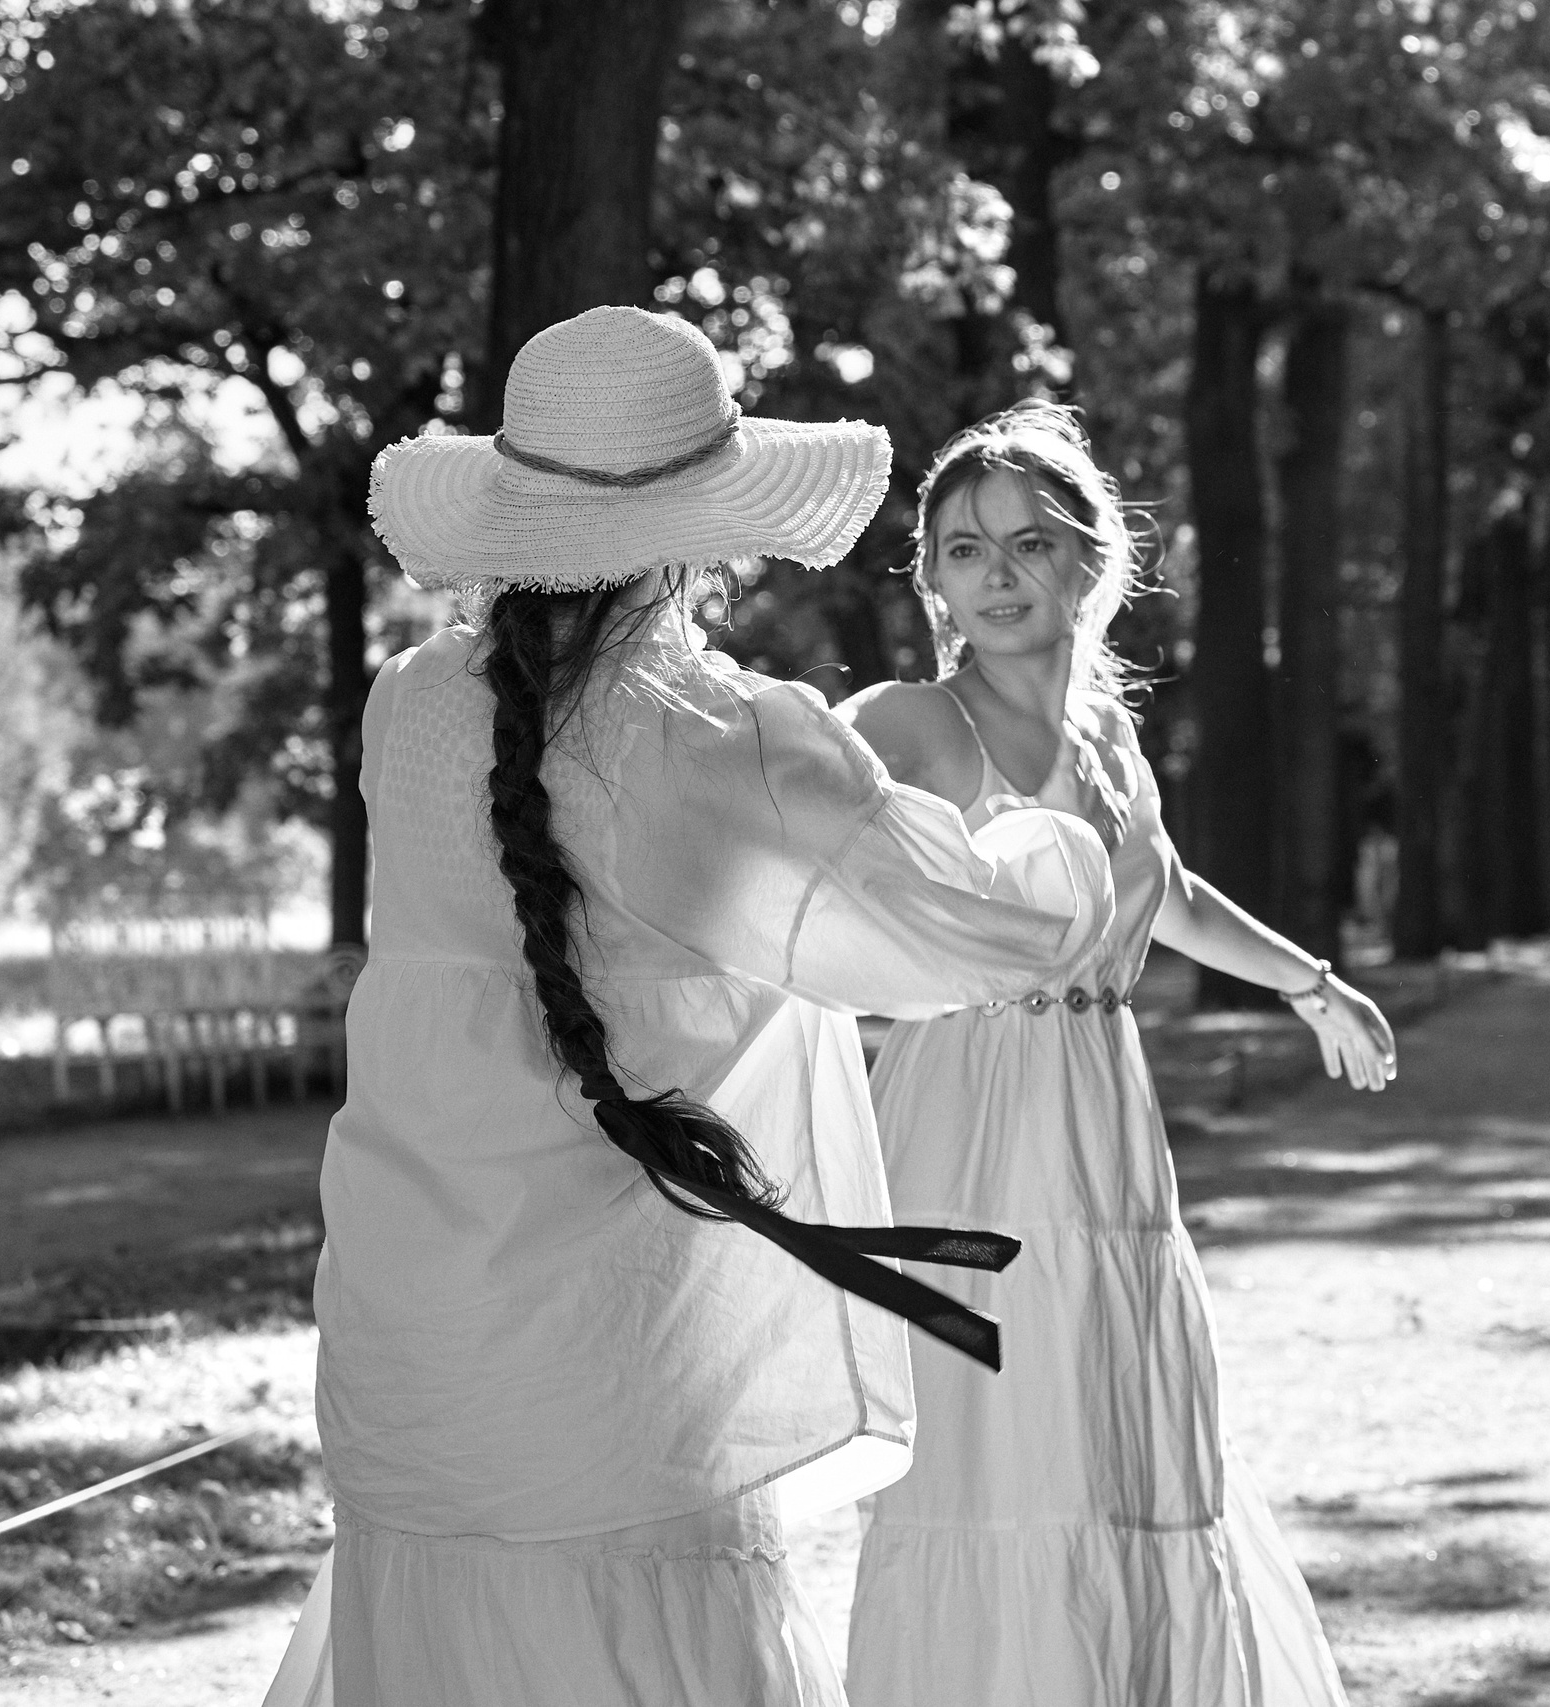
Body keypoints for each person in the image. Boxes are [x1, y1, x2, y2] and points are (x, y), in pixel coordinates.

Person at [261, 310, 1117, 1707]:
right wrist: (1063, 845)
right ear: (702, 532)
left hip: (415, 1361)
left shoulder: (406, 710)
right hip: (622, 1388)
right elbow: (980, 934)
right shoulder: (725, 739)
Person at [839, 403, 1396, 1707]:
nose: (997, 571)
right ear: (932, 580)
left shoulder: (1113, 744)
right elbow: (784, 843)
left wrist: (1312, 985)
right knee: (1000, 1459)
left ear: (1092, 560)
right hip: (968, 1132)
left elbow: (1174, 896)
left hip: (1107, 1135)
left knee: (1120, 1443)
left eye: (1029, 541)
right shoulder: (911, 723)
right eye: (964, 548)